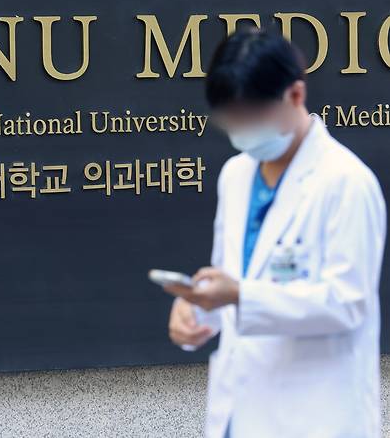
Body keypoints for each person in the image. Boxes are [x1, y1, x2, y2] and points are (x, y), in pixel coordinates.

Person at [164, 29, 386, 438]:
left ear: (296, 96)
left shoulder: (346, 182)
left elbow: (346, 303)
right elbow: (231, 277)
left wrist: (238, 295)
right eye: (231, 118)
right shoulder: (236, 176)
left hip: (317, 417)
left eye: (252, 115)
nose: (241, 130)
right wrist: (197, 312)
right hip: (240, 412)